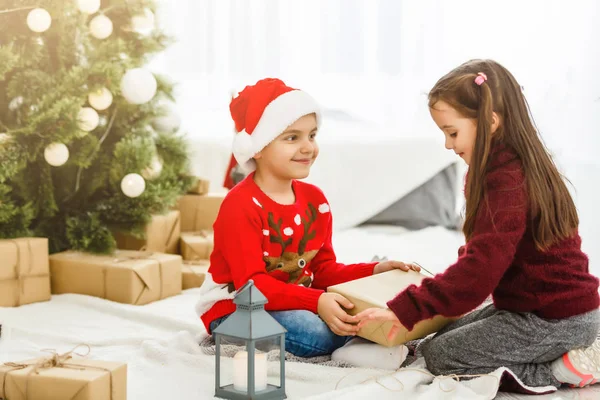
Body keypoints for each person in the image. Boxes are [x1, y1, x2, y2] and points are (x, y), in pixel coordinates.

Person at [355, 59, 600, 389]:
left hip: (555, 318)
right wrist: (440, 291)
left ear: (491, 122)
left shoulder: (508, 180)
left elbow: (480, 271)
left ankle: (560, 370)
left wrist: (407, 308)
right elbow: (481, 251)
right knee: (431, 344)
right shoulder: (499, 168)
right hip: (529, 307)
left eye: (452, 133)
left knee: (443, 357)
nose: (447, 144)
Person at [196, 78, 418, 367]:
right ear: (259, 147)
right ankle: (358, 342)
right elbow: (253, 286)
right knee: (313, 329)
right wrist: (316, 302)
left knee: (348, 308)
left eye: (312, 135)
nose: (308, 147)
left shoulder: (315, 200)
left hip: (292, 298)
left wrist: (374, 271)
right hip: (237, 307)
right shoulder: (240, 206)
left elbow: (323, 270)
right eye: (292, 138)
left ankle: (360, 339)